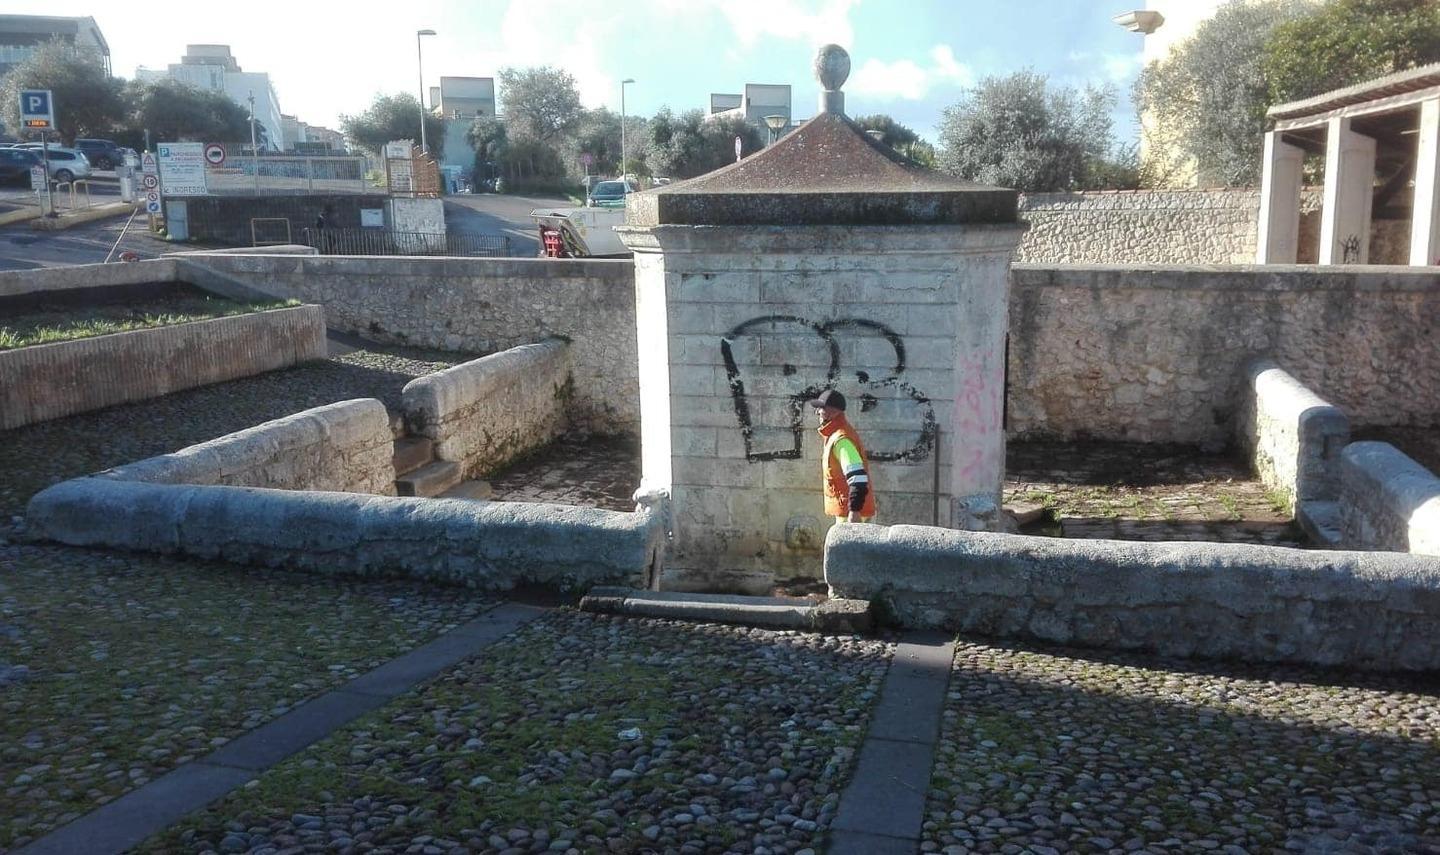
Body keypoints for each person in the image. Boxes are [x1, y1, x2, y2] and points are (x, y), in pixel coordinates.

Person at [806, 389, 877, 524]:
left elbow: (858, 478)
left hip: (852, 516)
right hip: (848, 512)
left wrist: (854, 512)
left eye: (820, 409)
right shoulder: (836, 435)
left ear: (832, 412)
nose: (818, 413)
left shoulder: (841, 440)